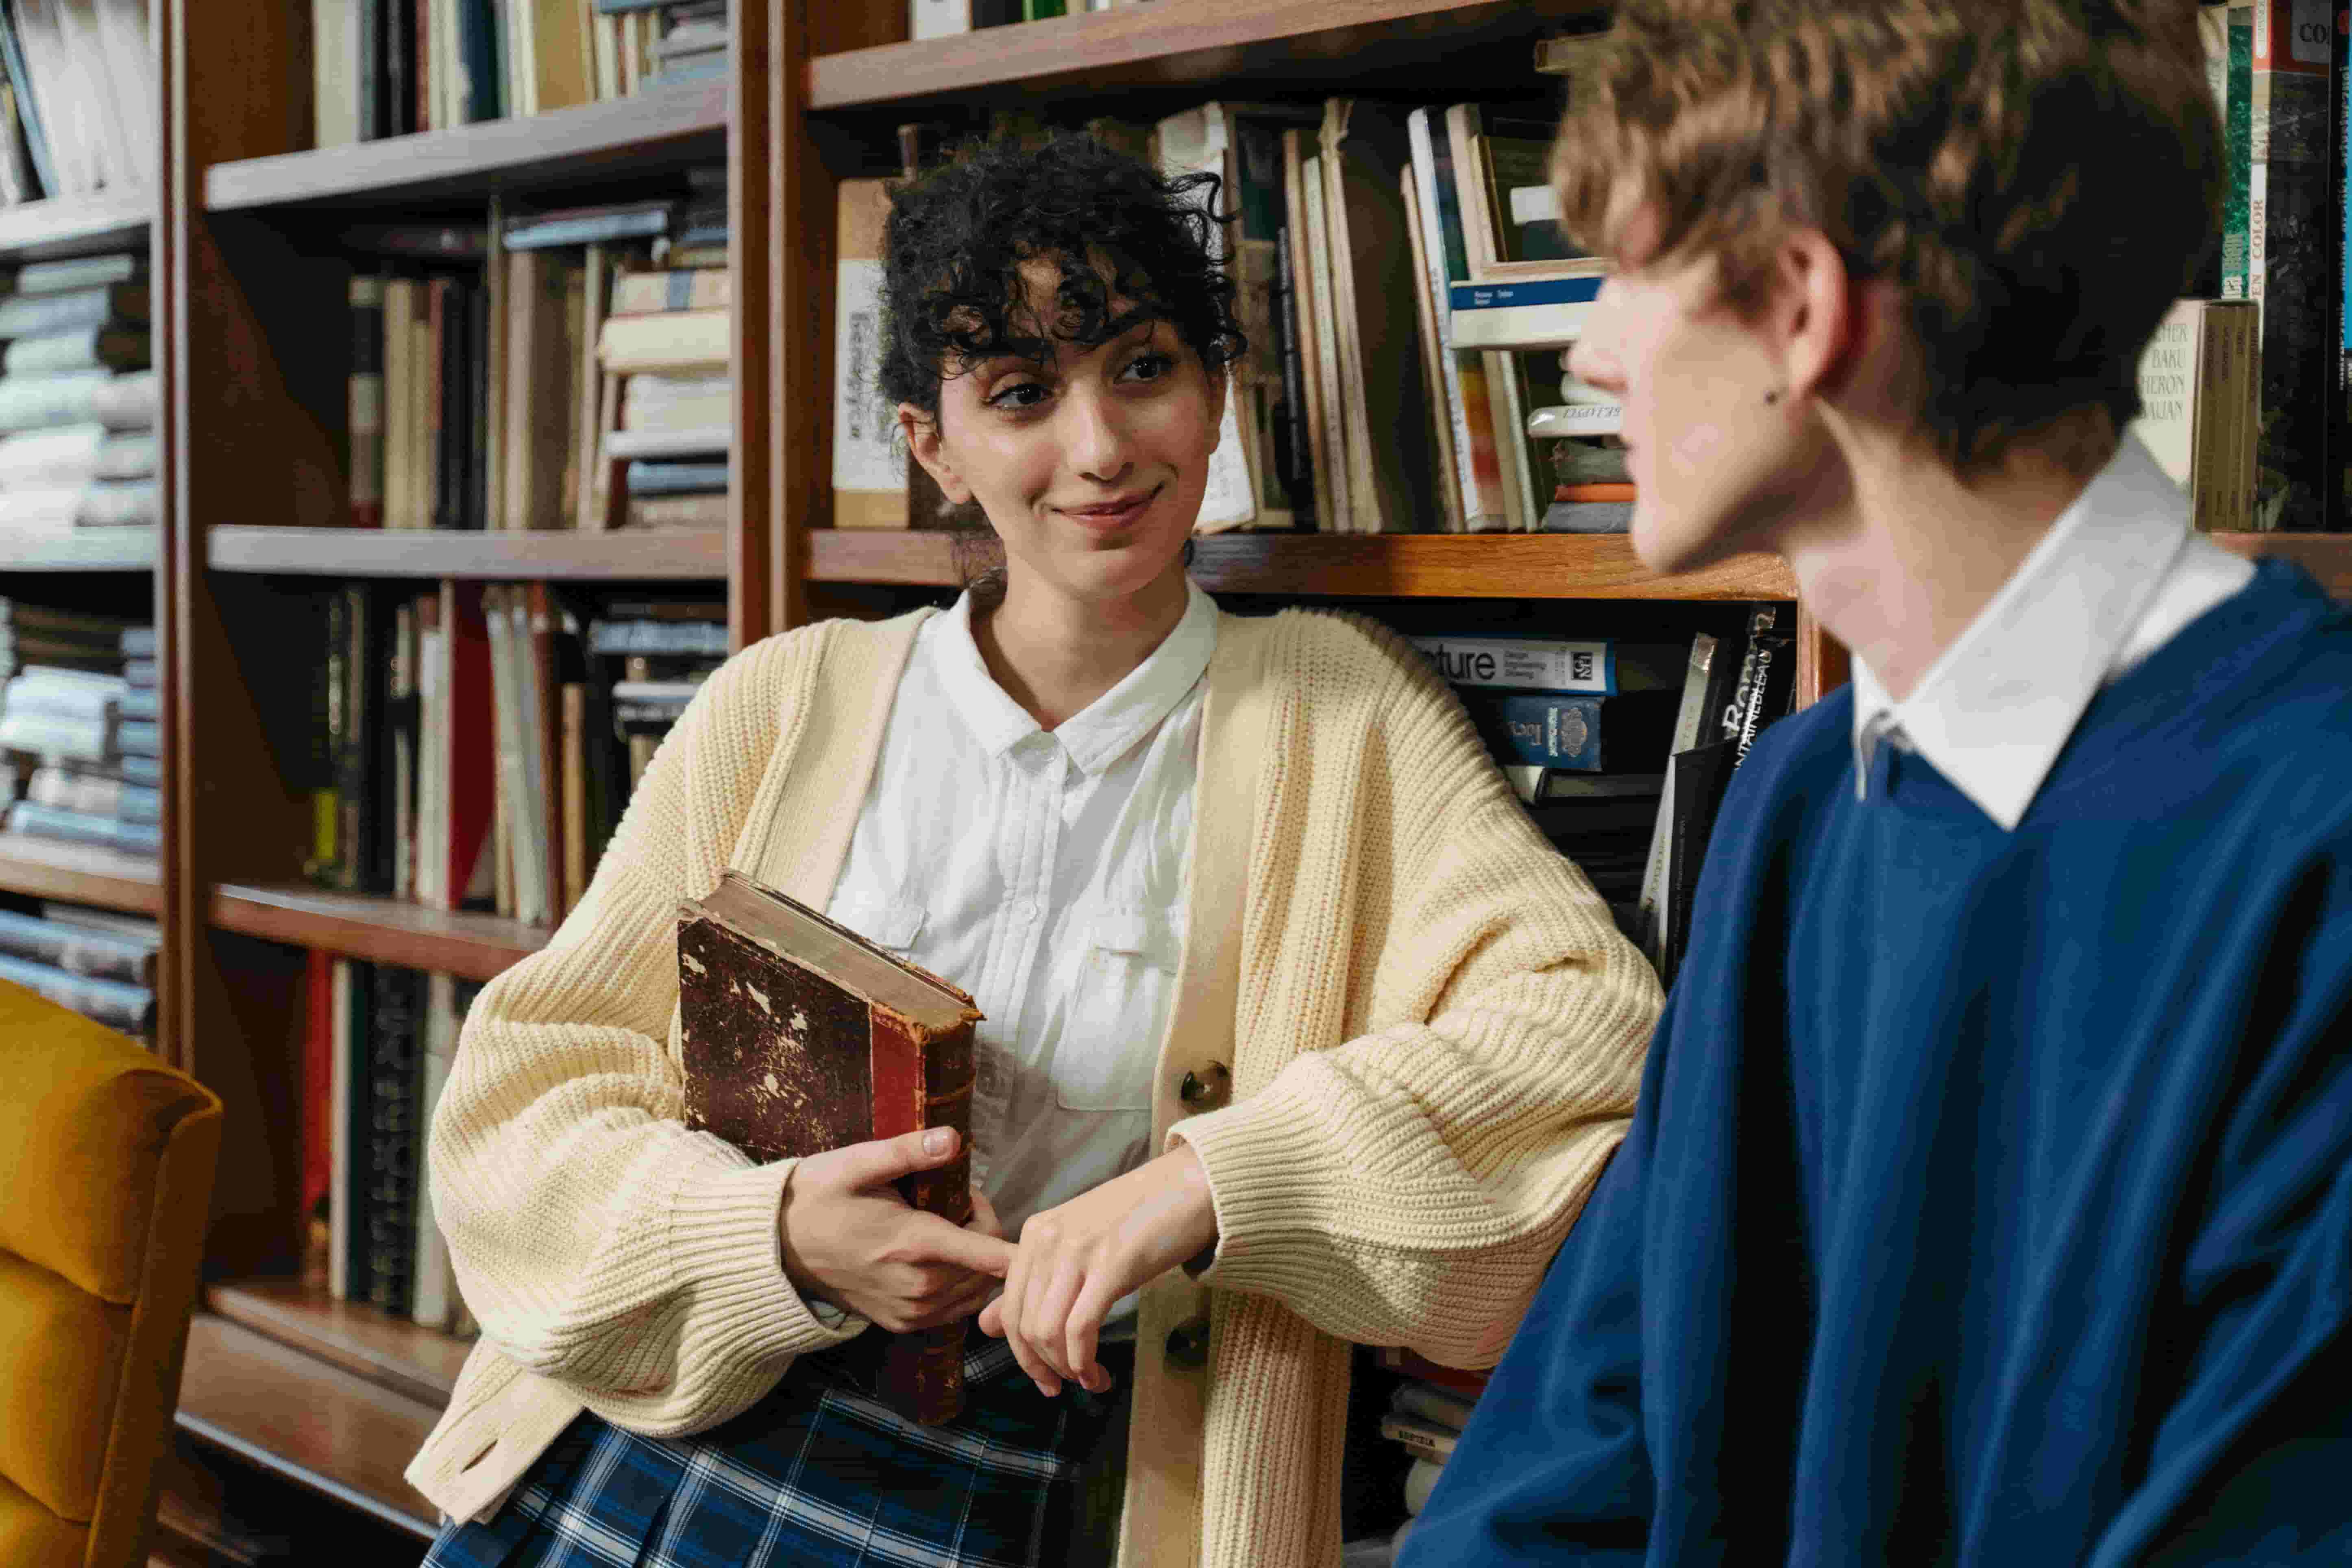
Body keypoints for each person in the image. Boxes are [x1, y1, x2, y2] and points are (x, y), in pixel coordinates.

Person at [403, 133, 1661, 1568]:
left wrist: (1215, 1183)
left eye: (1142, 367)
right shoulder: (788, 699)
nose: (1102, 449)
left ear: (1216, 388)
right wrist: (774, 1235)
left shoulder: (1343, 712)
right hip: (667, 1434)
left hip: (1051, 1474)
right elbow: (523, 1099)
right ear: (933, 446)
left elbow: (1590, 1034)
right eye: (1021, 394)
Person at [1401, 1, 2352, 1564]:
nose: (1590, 348)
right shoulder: (1797, 804)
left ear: (1801, 307)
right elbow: (1589, 1443)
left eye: (1632, 273)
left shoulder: (2315, 856)